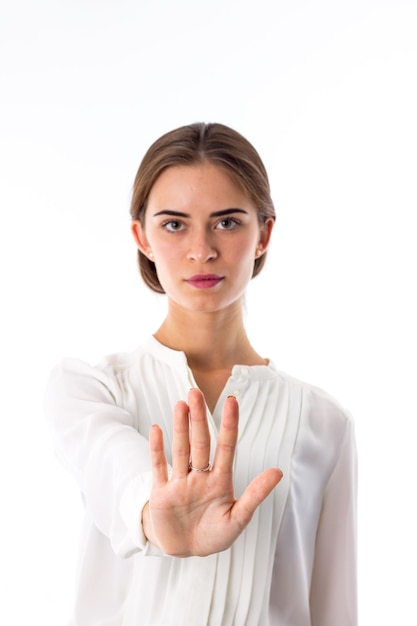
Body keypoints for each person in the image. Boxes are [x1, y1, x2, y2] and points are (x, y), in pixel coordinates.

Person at [44, 122, 357, 626]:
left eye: (227, 222)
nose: (201, 250)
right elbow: (111, 464)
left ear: (264, 233)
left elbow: (335, 606)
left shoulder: (324, 421)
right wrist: (152, 514)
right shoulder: (92, 389)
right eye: (174, 224)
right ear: (141, 236)